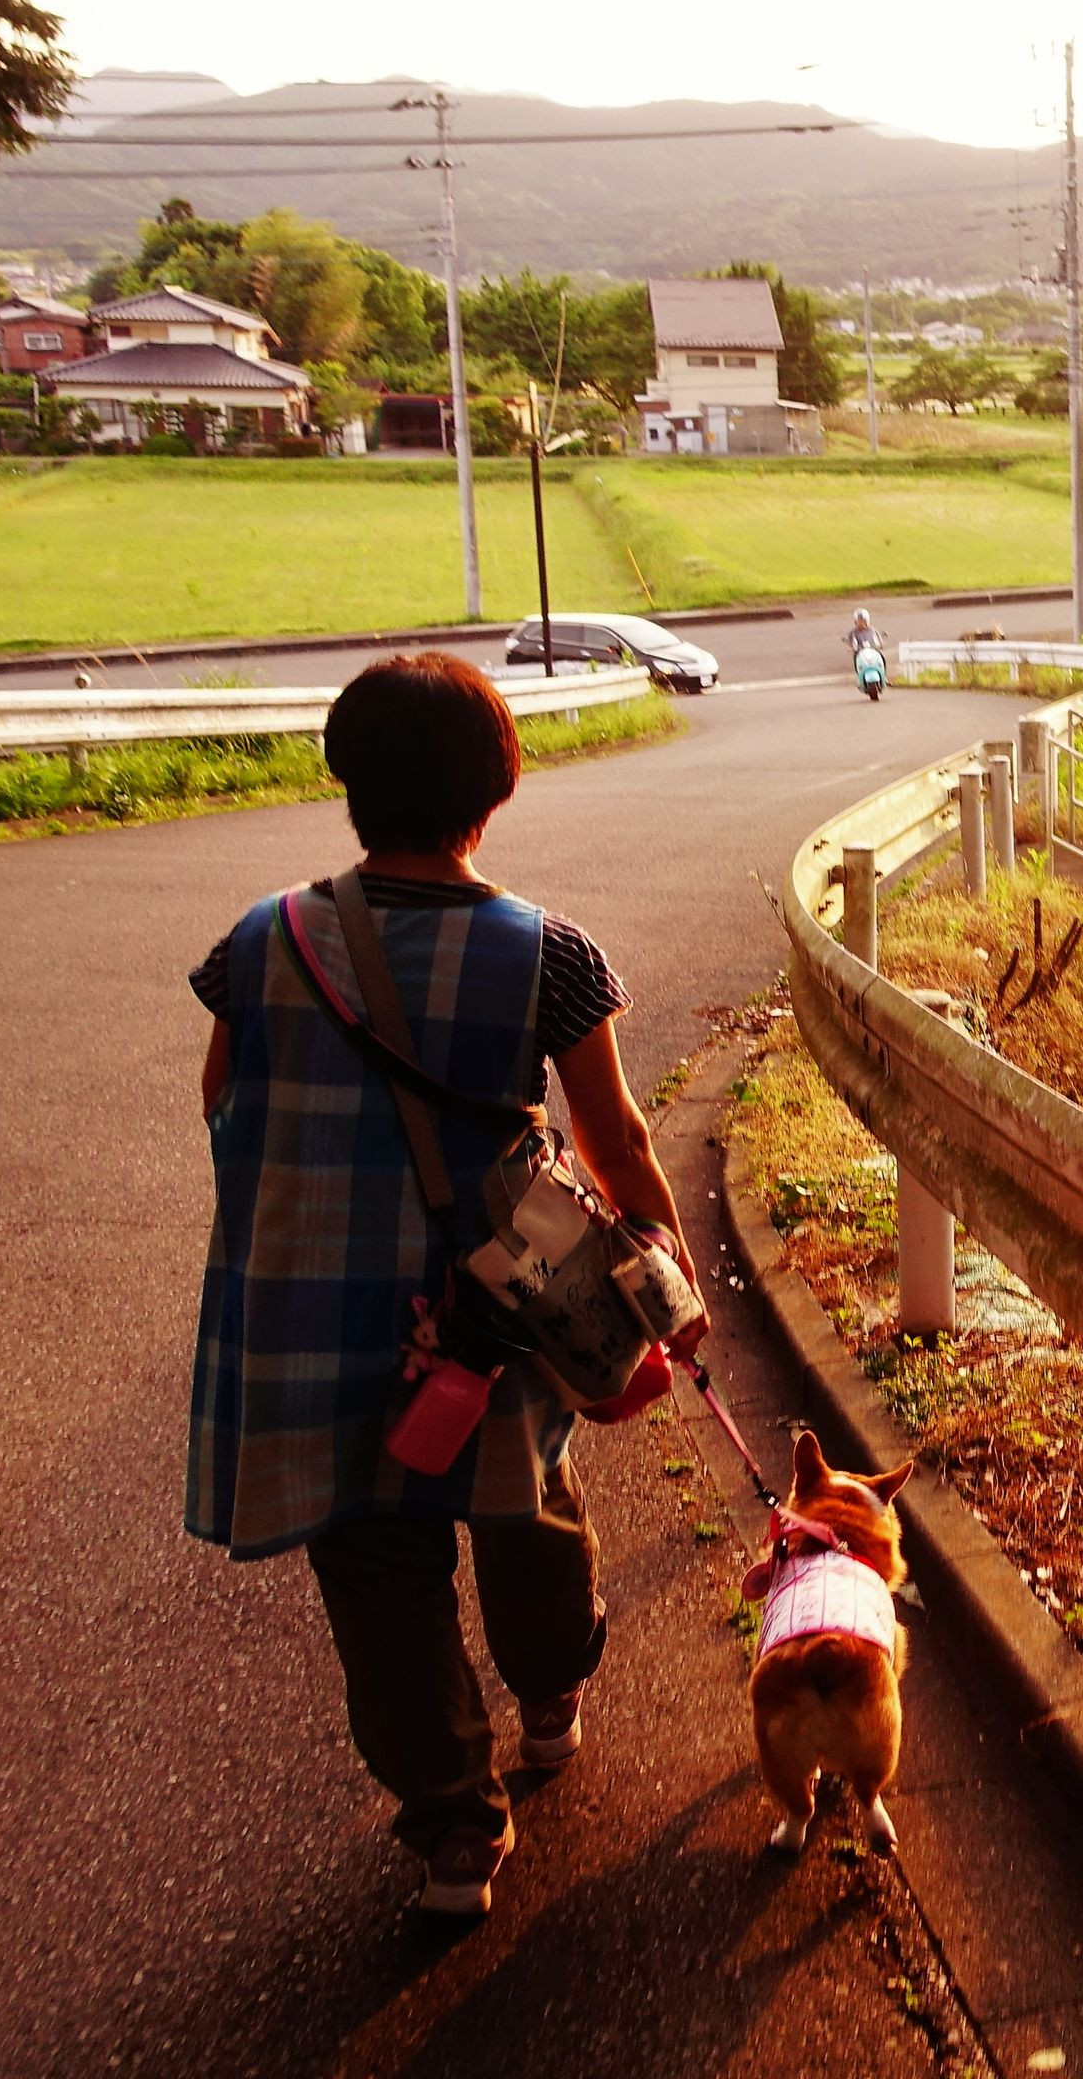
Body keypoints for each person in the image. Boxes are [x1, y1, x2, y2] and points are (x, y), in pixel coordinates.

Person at [187, 652, 705, 1921]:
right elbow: (617, 1137)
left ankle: (455, 1836)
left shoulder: (261, 939)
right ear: (496, 790)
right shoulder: (548, 953)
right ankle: (551, 1694)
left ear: (348, 782)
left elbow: (221, 1100)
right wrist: (666, 1271)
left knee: (376, 1572)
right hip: (500, 1310)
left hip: (312, 1319)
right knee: (523, 1500)